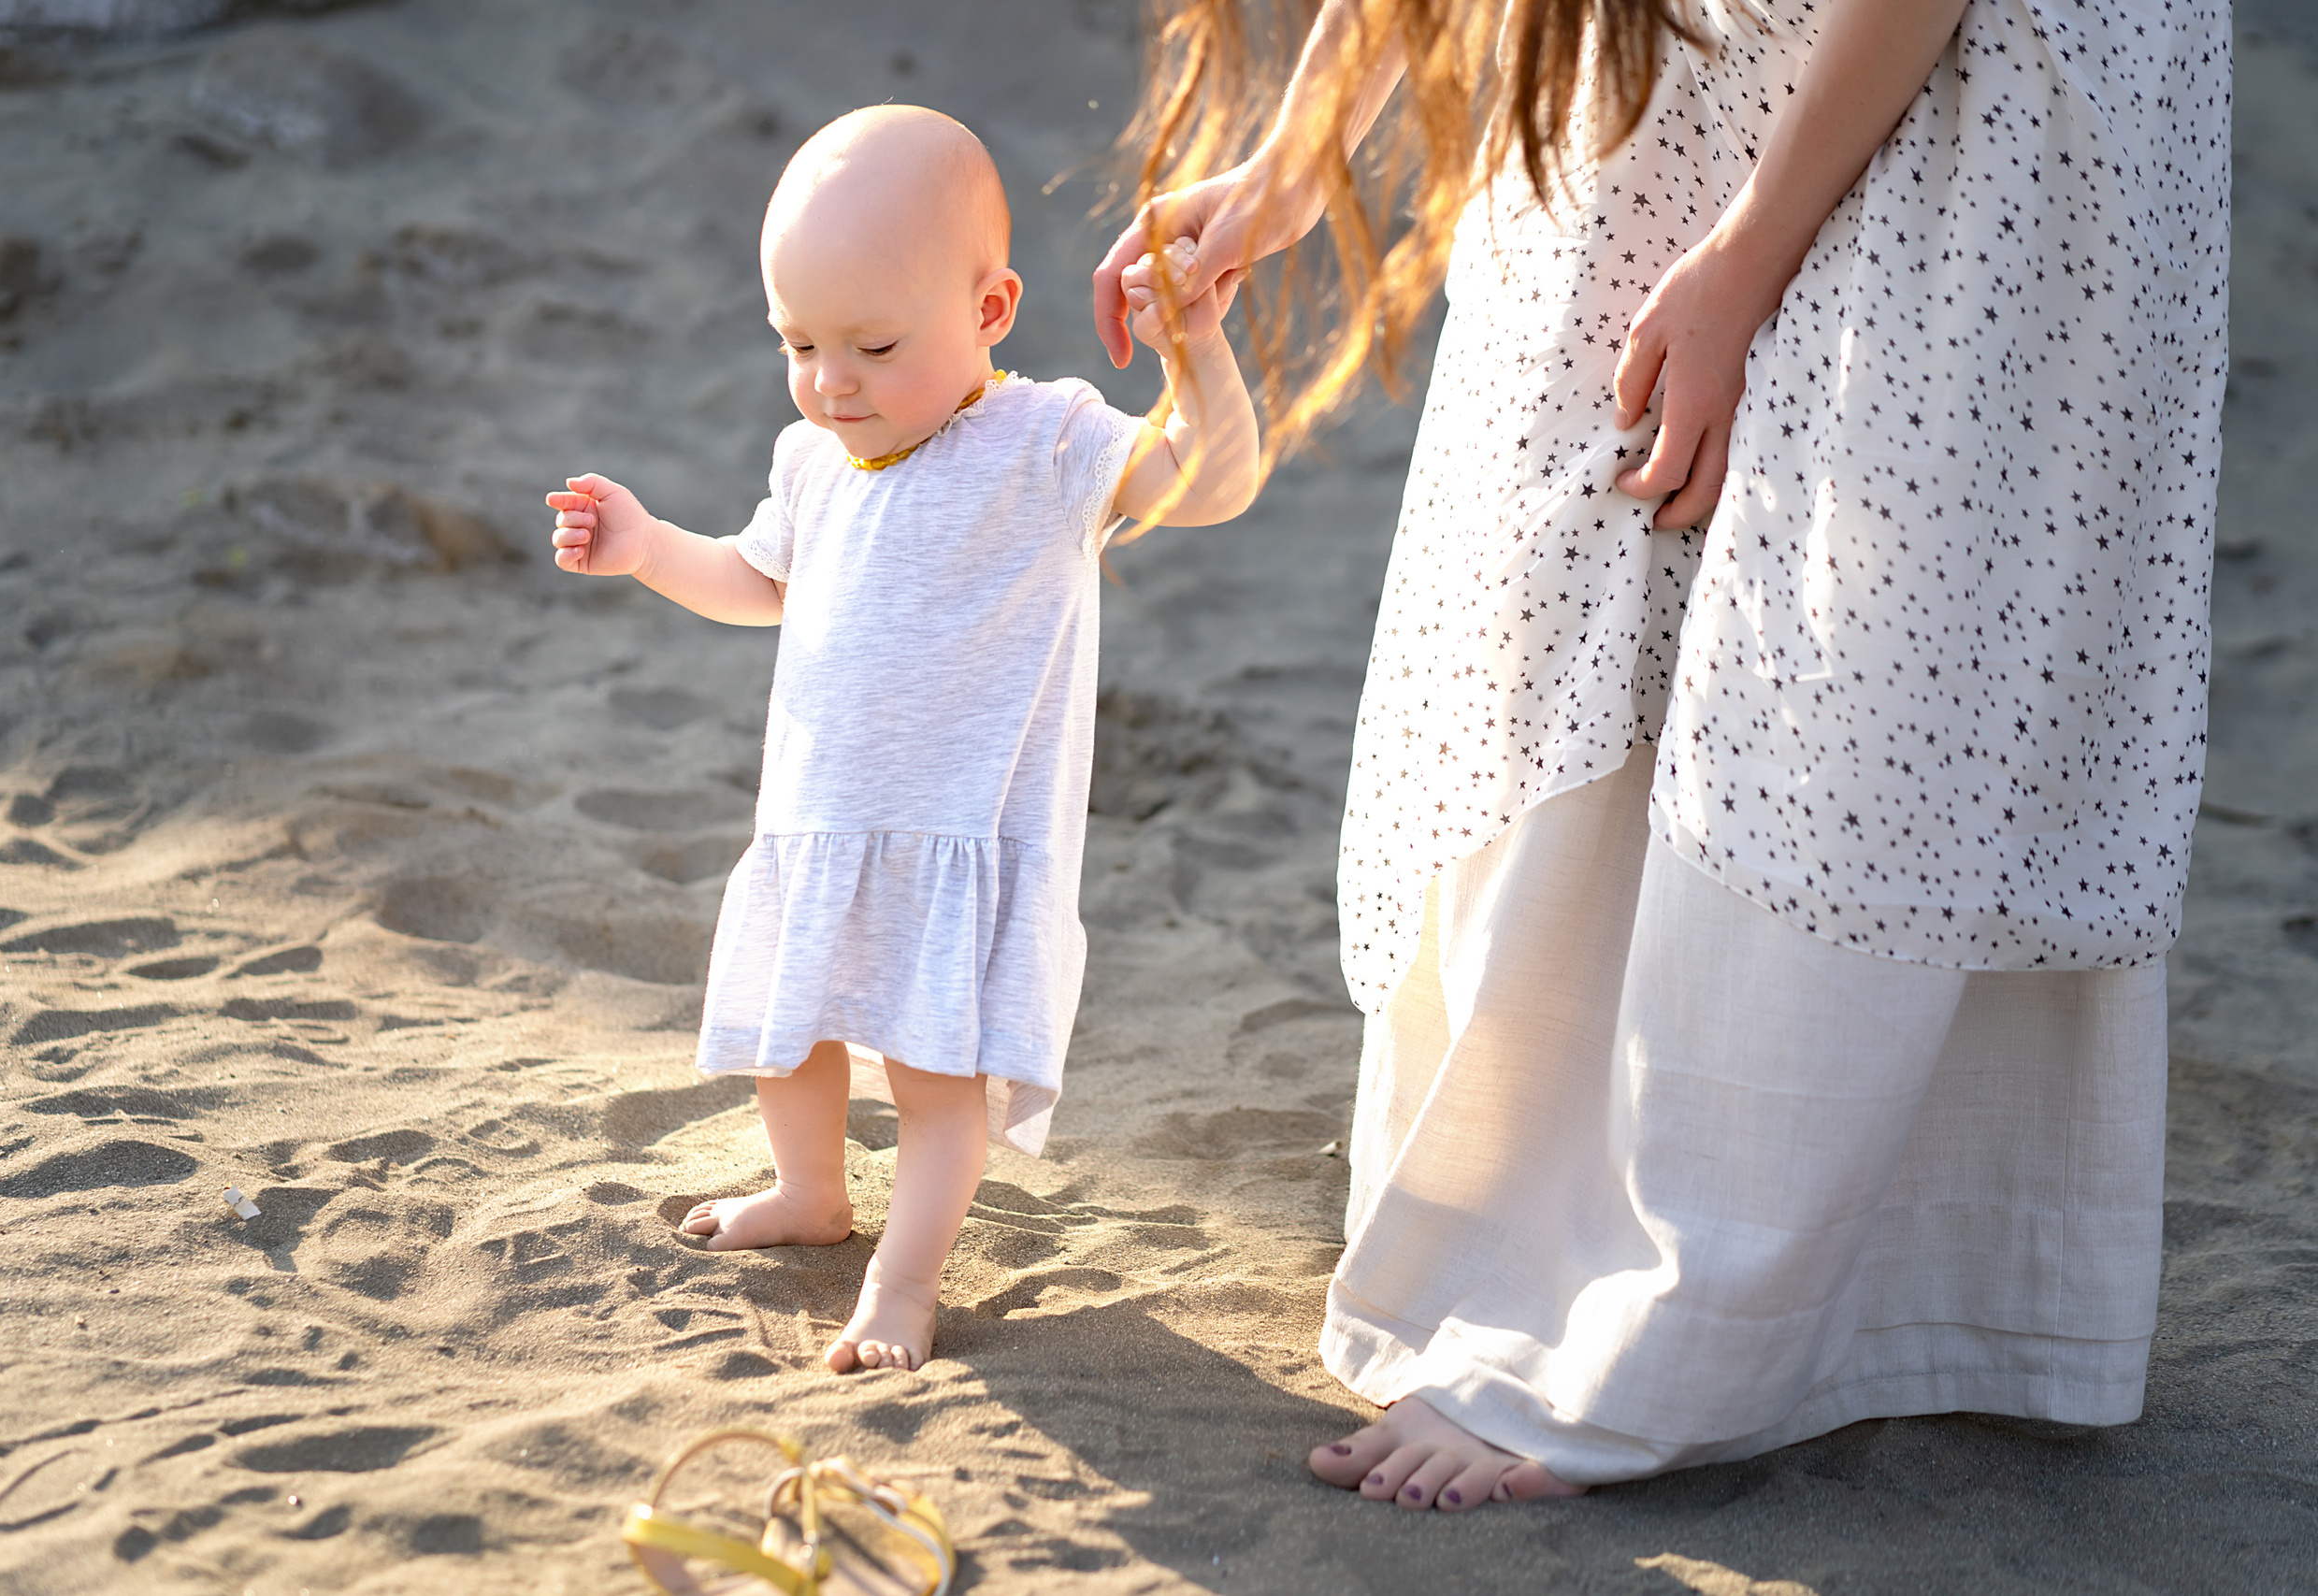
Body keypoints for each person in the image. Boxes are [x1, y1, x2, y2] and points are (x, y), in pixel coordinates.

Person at [1098, 0, 2227, 1506]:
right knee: (1583, 563)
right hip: (1688, 45)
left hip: (1968, 63)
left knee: (1858, 663)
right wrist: (1293, 164)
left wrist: (1745, 262)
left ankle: (1688, 1329)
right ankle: (1540, 1249)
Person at [547, 106, 1257, 1372]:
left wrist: (1194, 352)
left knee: (938, 1082)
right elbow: (758, 583)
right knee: (793, 1038)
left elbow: (1211, 484)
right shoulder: (815, 463)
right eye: (799, 343)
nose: (832, 381)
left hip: (956, 835)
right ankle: (809, 1193)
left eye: (873, 344)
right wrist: (651, 547)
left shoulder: (1045, 440)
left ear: (990, 311)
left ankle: (905, 1279)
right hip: (820, 824)